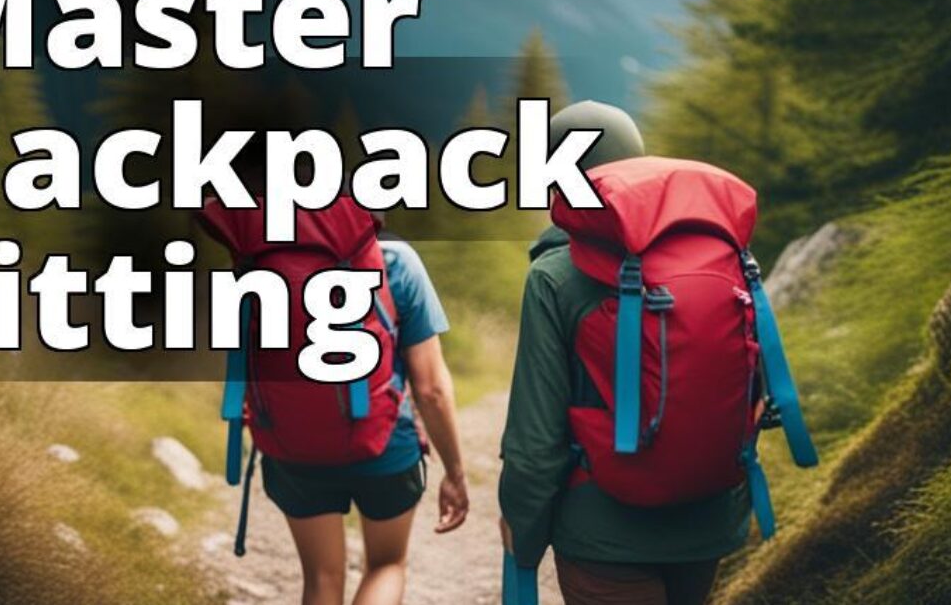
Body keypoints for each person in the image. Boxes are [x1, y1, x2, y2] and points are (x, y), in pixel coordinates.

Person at [498, 100, 751, 605]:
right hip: (708, 519)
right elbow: (752, 387)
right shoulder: (724, 254)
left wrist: (522, 533)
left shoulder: (553, 275)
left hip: (604, 533)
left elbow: (536, 439)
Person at [262, 226, 470, 605]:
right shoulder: (396, 262)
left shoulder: (263, 265)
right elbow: (431, 389)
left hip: (292, 442)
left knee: (321, 578)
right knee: (387, 564)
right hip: (386, 444)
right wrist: (455, 472)